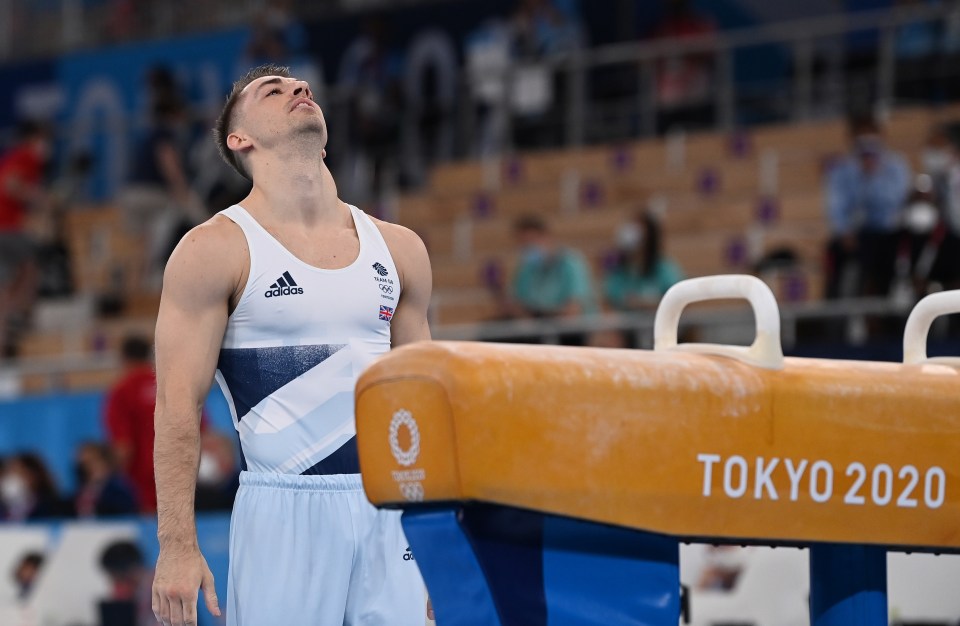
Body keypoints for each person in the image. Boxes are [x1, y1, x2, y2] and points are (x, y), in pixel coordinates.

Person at [152, 64, 432, 626]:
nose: (299, 90)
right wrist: (178, 546)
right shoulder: (215, 250)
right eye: (272, 91)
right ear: (240, 139)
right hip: (284, 512)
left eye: (302, 86)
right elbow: (178, 406)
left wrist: (439, 535)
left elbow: (421, 400)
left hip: (390, 509)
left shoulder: (399, 248)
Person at [825, 112, 911, 299]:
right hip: (858, 235)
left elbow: (897, 200)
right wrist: (843, 230)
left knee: (897, 248)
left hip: (889, 233)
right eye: (861, 134)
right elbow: (836, 205)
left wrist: (873, 175)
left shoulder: (896, 165)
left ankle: (891, 308)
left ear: (880, 135)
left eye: (870, 133)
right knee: (836, 250)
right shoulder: (841, 169)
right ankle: (836, 315)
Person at [0, 120, 51, 357]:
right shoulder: (25, 156)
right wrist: (37, 197)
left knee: (12, 281)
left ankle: (10, 318)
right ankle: (21, 312)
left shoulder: (15, 157)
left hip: (6, 227)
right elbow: (10, 185)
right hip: (7, 227)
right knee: (30, 267)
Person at [499, 214, 597, 320]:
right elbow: (518, 307)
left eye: (529, 242)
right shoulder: (526, 269)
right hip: (540, 325)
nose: (526, 248)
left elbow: (574, 309)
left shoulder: (572, 262)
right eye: (522, 244)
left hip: (573, 328)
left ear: (547, 237)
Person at [104, 335, 159, 514]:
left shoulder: (122, 390)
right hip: (179, 469)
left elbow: (123, 447)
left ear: (124, 358)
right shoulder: (168, 383)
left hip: (142, 476)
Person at [603, 211, 684, 311]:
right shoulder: (617, 271)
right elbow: (608, 302)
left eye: (637, 226)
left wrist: (647, 304)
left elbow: (680, 301)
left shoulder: (664, 268)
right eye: (630, 225)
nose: (630, 230)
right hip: (626, 326)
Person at [72, 441, 139, 518]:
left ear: (105, 462)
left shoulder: (119, 489)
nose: (90, 467)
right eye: (84, 464)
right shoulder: (82, 488)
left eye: (93, 461)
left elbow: (125, 512)